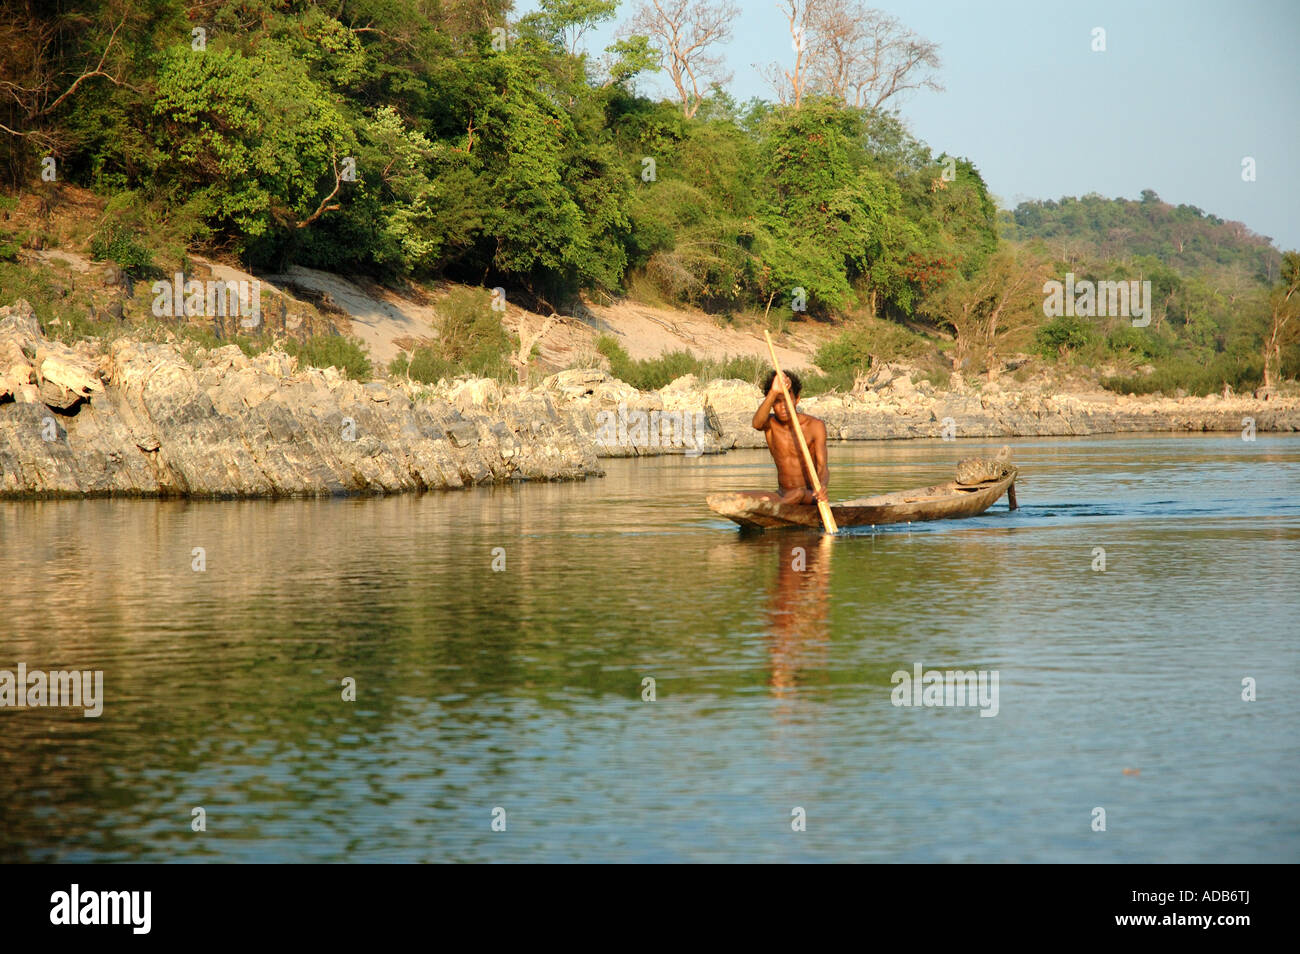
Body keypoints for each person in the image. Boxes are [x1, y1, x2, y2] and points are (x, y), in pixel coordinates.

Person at [750, 369, 829, 505]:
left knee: (797, 494)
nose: (783, 407)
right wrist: (773, 392)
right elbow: (756, 424)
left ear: (797, 400)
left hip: (809, 495)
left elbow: (822, 466)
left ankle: (773, 507)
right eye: (777, 401)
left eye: (787, 400)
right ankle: (776, 505)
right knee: (745, 495)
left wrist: (822, 486)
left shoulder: (815, 426)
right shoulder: (769, 424)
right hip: (782, 494)